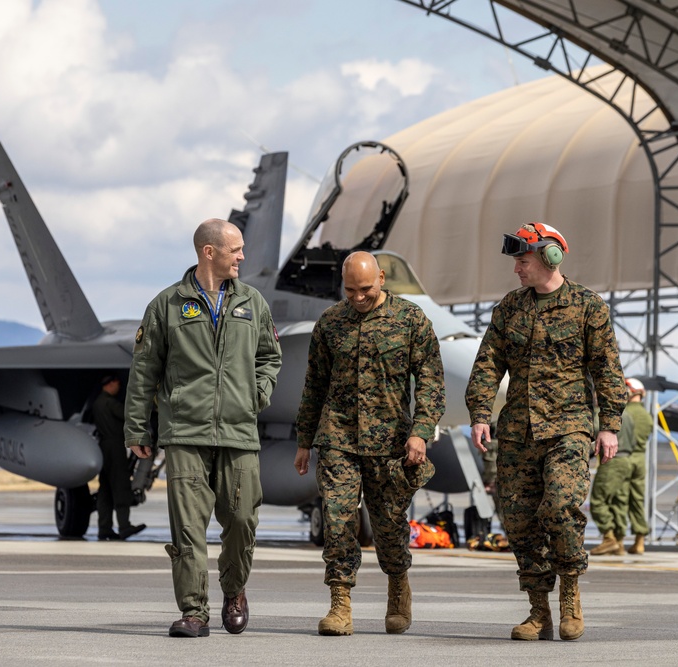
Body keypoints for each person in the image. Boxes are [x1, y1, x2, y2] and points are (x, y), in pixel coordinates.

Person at [465, 222, 627, 642]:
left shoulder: (588, 306)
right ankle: (538, 613)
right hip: (517, 433)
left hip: (569, 430)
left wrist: (609, 426)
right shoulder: (509, 309)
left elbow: (607, 370)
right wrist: (481, 413)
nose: (517, 269)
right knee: (519, 524)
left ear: (550, 256)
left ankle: (570, 594)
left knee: (559, 509)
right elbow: (487, 364)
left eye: (522, 260)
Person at [125, 218, 282, 638]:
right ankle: (194, 612)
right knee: (188, 529)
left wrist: (257, 395)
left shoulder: (253, 303)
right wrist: (137, 429)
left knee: (243, 519)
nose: (242, 257)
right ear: (208, 252)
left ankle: (234, 590)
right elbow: (144, 371)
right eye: (236, 250)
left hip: (239, 431)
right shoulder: (168, 305)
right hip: (185, 433)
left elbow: (269, 357)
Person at [294, 251, 445, 637]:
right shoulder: (330, 323)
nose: (357, 297)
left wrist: (420, 431)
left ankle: (398, 587)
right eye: (350, 290)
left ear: (380, 278)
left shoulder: (410, 320)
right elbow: (314, 386)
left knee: (389, 524)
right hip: (338, 438)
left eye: (365, 289)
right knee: (338, 519)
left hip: (391, 442)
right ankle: (340, 604)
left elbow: (430, 379)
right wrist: (304, 440)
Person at [589, 377, 650, 556]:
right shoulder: (644, 415)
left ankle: (614, 539)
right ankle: (637, 540)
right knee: (632, 500)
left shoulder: (619, 414)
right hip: (635, 458)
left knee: (608, 501)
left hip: (615, 457)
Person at [92, 375, 145, 541]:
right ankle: (124, 526)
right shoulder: (111, 403)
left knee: (105, 490)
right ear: (109, 384)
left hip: (103, 447)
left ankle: (104, 528)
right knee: (121, 486)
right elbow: (127, 416)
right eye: (117, 384)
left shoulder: (97, 403)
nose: (118, 387)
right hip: (115, 447)